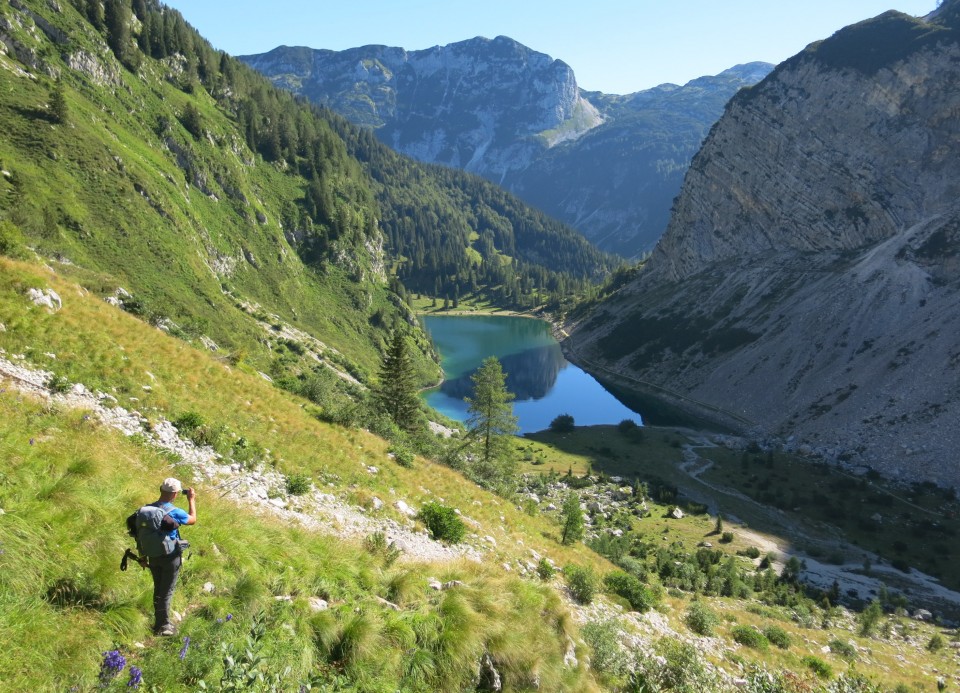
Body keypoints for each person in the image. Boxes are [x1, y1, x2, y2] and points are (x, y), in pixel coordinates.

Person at [148, 477, 196, 636]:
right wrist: (191, 500)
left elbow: (141, 535)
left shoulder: (147, 510)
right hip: (171, 556)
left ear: (161, 490)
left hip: (153, 555)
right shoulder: (175, 512)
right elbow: (192, 519)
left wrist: (143, 556)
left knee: (158, 588)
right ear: (175, 494)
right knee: (166, 591)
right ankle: (164, 626)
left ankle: (159, 623)